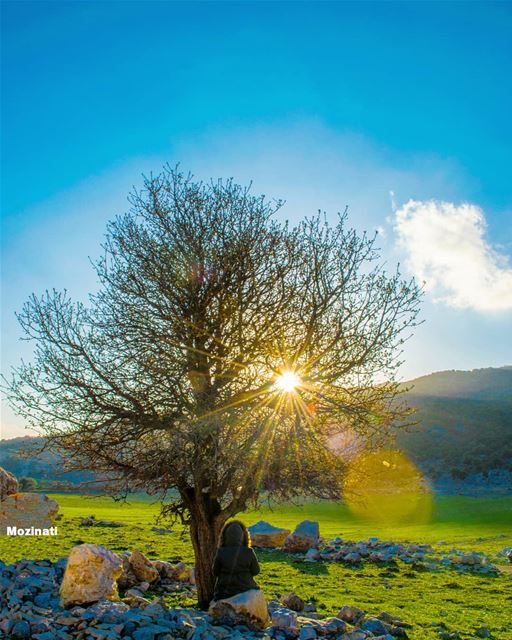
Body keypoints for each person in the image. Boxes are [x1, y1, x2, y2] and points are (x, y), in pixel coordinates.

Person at [212, 520, 261, 601]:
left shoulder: (221, 552)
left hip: (223, 593)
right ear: (243, 536)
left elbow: (215, 572)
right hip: (246, 590)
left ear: (225, 536)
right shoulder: (249, 552)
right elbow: (256, 571)